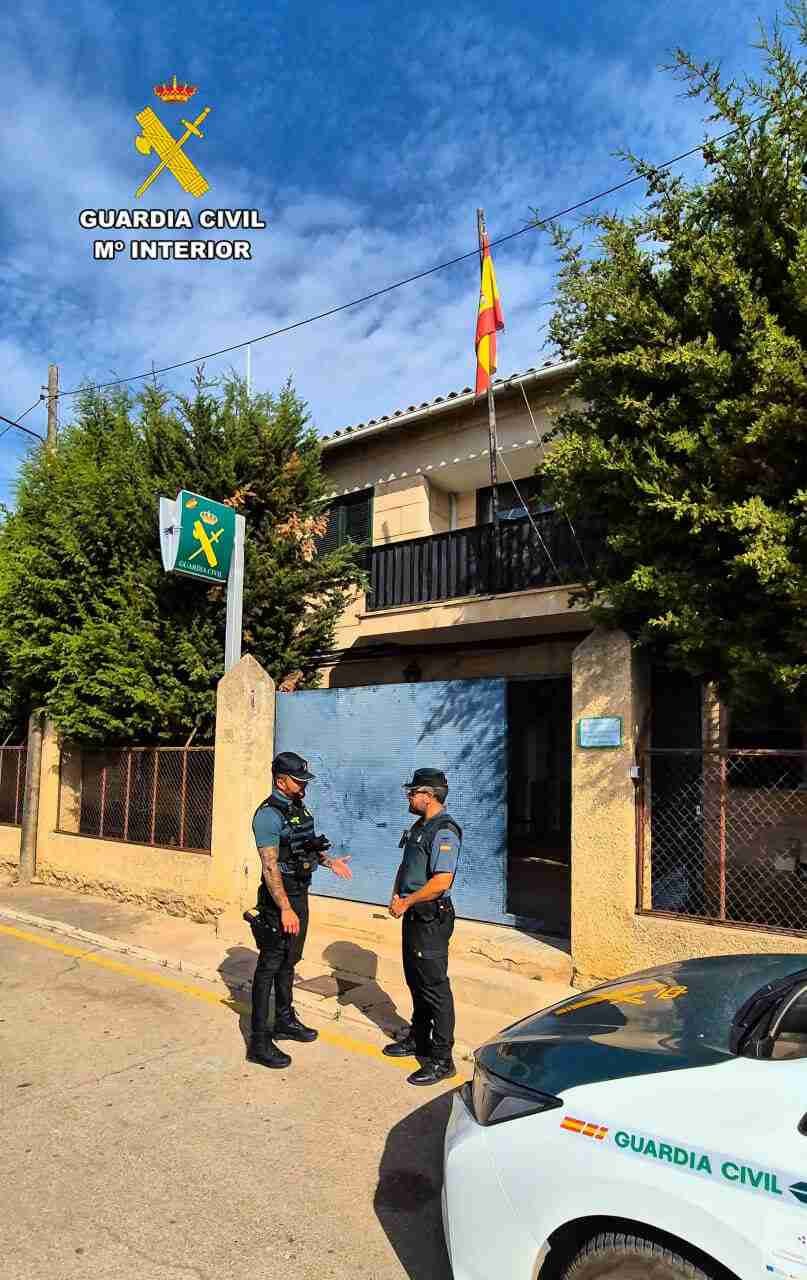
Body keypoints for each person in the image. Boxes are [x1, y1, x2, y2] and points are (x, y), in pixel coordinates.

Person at [246, 750, 353, 1070]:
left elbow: (304, 845)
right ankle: (259, 1040)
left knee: (289, 961)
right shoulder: (268, 815)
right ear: (281, 780)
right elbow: (269, 867)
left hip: (298, 894)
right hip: (279, 899)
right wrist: (285, 909)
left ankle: (284, 1020)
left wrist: (328, 861)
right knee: (270, 965)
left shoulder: (297, 807)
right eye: (298, 780)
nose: (304, 786)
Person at [383, 767, 461, 1086]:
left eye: (413, 792)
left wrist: (407, 900)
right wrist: (394, 896)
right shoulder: (420, 826)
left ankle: (443, 1059)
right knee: (416, 981)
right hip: (414, 913)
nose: (409, 796)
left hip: (430, 916)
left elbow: (442, 881)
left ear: (428, 796)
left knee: (435, 987)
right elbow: (406, 866)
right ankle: (419, 1039)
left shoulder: (445, 831)